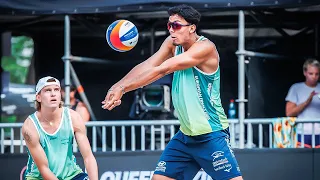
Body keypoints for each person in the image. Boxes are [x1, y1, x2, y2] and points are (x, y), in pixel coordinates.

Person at [102, 4, 243, 180]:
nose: (171, 30)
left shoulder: (205, 48)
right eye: (169, 25)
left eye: (176, 25)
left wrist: (123, 89)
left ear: (192, 28)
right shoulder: (171, 43)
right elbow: (148, 65)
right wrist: (116, 86)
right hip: (186, 136)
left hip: (211, 134)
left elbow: (161, 70)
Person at [22, 76, 98, 180]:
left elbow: (88, 157)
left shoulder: (73, 117)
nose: (53, 94)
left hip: (72, 175)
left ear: (60, 94)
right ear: (38, 97)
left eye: (56, 90)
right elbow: (44, 168)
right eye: (48, 90)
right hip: (39, 177)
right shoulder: (29, 126)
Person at [285, 59, 320, 147]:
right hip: (303, 133)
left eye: (317, 74)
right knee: (303, 159)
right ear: (305, 73)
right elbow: (289, 113)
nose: (314, 77)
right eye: (311, 74)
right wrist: (306, 102)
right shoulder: (296, 88)